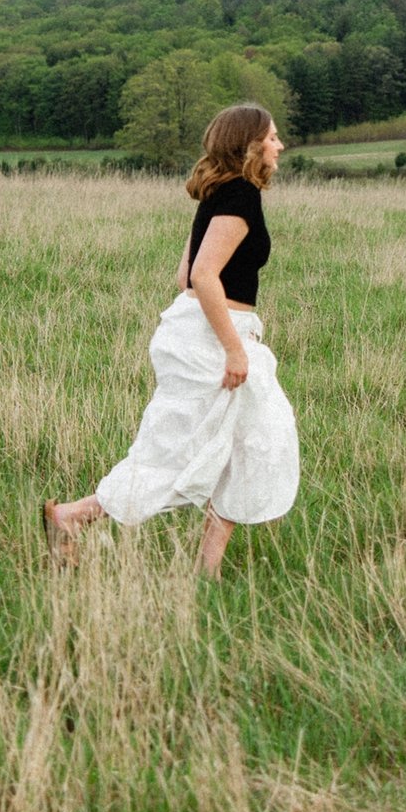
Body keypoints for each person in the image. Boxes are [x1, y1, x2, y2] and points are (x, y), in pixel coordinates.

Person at [44, 103, 299, 578]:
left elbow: (185, 274)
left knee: (249, 443)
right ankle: (73, 516)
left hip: (202, 328)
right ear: (249, 144)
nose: (280, 145)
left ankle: (207, 571)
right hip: (214, 337)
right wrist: (233, 347)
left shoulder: (218, 193)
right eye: (272, 137)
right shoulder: (240, 195)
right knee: (178, 453)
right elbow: (202, 276)